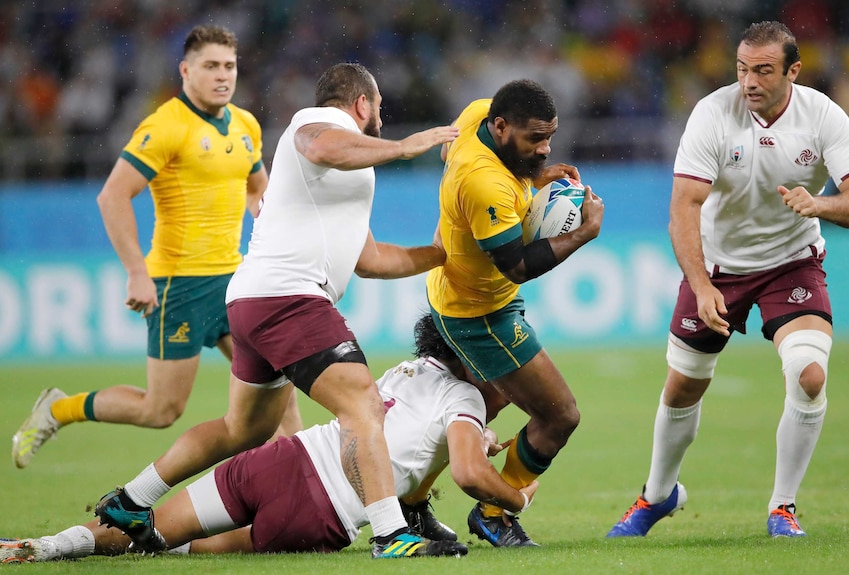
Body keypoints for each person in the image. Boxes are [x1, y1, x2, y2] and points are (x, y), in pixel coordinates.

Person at [92, 62, 463, 559]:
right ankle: (392, 535)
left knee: (242, 430)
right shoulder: (317, 122)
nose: (382, 114)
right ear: (360, 104)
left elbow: (371, 260)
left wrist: (441, 254)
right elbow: (321, 145)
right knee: (362, 404)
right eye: (378, 105)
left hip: (255, 299)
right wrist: (403, 146)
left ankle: (131, 500)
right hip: (289, 296)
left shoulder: (352, 171)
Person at [0, 314, 544, 563]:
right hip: (317, 511)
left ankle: (50, 546)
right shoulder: (467, 401)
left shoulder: (412, 370)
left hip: (282, 459)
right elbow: (470, 474)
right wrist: (516, 497)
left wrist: (472, 438)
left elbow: (406, 438)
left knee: (147, 527)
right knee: (184, 549)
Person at [606, 21, 849, 539]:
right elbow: (684, 207)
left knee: (810, 375)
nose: (749, 81)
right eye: (743, 69)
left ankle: (782, 507)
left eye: (763, 70)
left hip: (791, 261)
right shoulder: (712, 114)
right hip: (718, 267)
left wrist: (820, 205)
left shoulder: (824, 117)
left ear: (793, 70)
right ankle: (657, 496)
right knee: (682, 387)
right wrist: (701, 286)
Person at [11, 24, 303, 469]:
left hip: (235, 283)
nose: (223, 75)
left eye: (229, 66)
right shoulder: (165, 126)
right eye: (211, 66)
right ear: (186, 70)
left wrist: (271, 222)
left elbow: (254, 189)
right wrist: (136, 272)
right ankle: (58, 409)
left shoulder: (245, 125)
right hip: (179, 286)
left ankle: (305, 487)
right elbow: (112, 196)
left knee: (279, 398)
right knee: (161, 410)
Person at [425, 79, 605, 547]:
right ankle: (495, 512)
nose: (545, 149)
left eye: (548, 137)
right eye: (534, 141)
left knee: (481, 406)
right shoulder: (484, 182)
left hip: (467, 293)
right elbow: (518, 265)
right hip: (481, 312)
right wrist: (584, 233)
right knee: (559, 416)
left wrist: (527, 176)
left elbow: (449, 155)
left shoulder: (478, 114)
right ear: (501, 127)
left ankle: (410, 498)